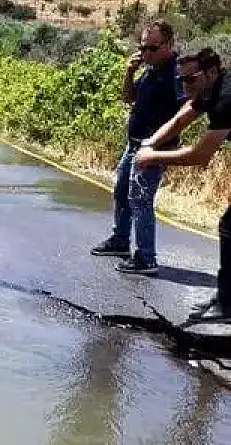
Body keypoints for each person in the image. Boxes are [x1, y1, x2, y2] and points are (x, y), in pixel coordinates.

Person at [135, 48, 231, 320]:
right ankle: (226, 298)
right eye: (181, 81)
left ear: (211, 73)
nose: (184, 86)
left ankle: (227, 304)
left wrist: (152, 157)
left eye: (190, 80)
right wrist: (149, 142)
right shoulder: (205, 92)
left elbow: (199, 156)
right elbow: (181, 119)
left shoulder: (225, 99)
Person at [90, 20, 187, 276]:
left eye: (151, 48)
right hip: (133, 145)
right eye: (142, 48)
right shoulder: (150, 69)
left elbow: (186, 113)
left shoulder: (175, 74)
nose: (145, 54)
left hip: (153, 150)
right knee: (121, 191)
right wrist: (129, 73)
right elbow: (128, 98)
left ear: (168, 45)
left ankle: (146, 257)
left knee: (141, 200)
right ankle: (121, 240)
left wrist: (156, 144)